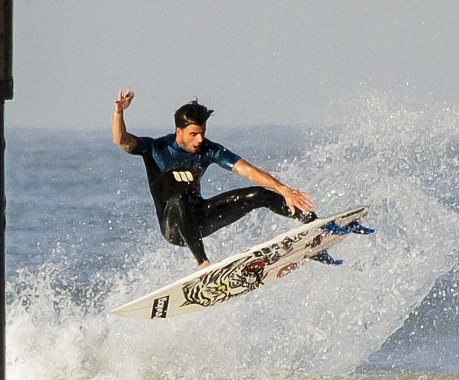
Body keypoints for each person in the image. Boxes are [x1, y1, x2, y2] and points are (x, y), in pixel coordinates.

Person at [112, 91, 315, 266]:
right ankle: (203, 263)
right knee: (179, 199)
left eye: (202, 133)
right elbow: (121, 140)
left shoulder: (208, 149)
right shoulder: (156, 149)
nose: (199, 140)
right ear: (179, 131)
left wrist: (285, 190)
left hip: (201, 218)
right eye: (193, 134)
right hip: (174, 227)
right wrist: (119, 112)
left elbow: (247, 170)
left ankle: (312, 225)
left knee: (259, 194)